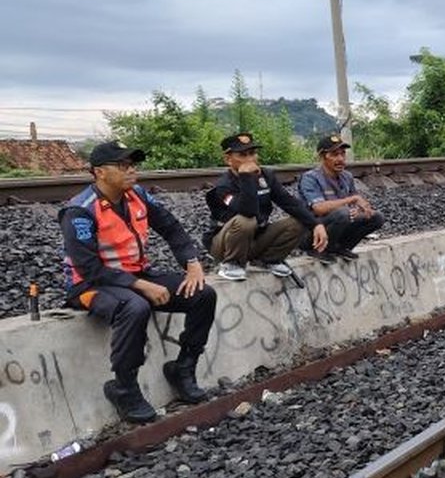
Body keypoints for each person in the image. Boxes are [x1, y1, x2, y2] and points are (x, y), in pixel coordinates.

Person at [58, 140, 217, 423]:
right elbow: (90, 268)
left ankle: (183, 367)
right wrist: (141, 286)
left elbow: (171, 227)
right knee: (135, 307)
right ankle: (124, 387)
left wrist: (192, 264)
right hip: (91, 285)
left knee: (203, 294)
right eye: (123, 165)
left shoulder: (138, 195)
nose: (132, 171)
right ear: (99, 172)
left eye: (133, 165)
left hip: (137, 274)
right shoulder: (79, 211)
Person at [203, 132, 327, 281]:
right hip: (225, 244)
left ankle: (268, 260)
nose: (250, 159)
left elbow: (289, 202)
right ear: (228, 159)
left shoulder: (266, 176)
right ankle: (232, 264)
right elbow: (247, 211)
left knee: (299, 222)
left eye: (252, 153)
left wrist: (316, 225)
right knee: (246, 221)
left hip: (256, 238)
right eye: (243, 155)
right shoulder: (224, 185)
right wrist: (246, 177)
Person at [297, 135, 384, 262]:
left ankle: (340, 248)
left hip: (338, 225)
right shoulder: (310, 178)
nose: (341, 159)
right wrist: (349, 202)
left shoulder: (347, 177)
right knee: (343, 213)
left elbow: (353, 205)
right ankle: (317, 250)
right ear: (322, 156)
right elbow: (318, 209)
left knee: (376, 217)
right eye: (334, 154)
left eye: (343, 154)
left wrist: (360, 210)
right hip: (312, 232)